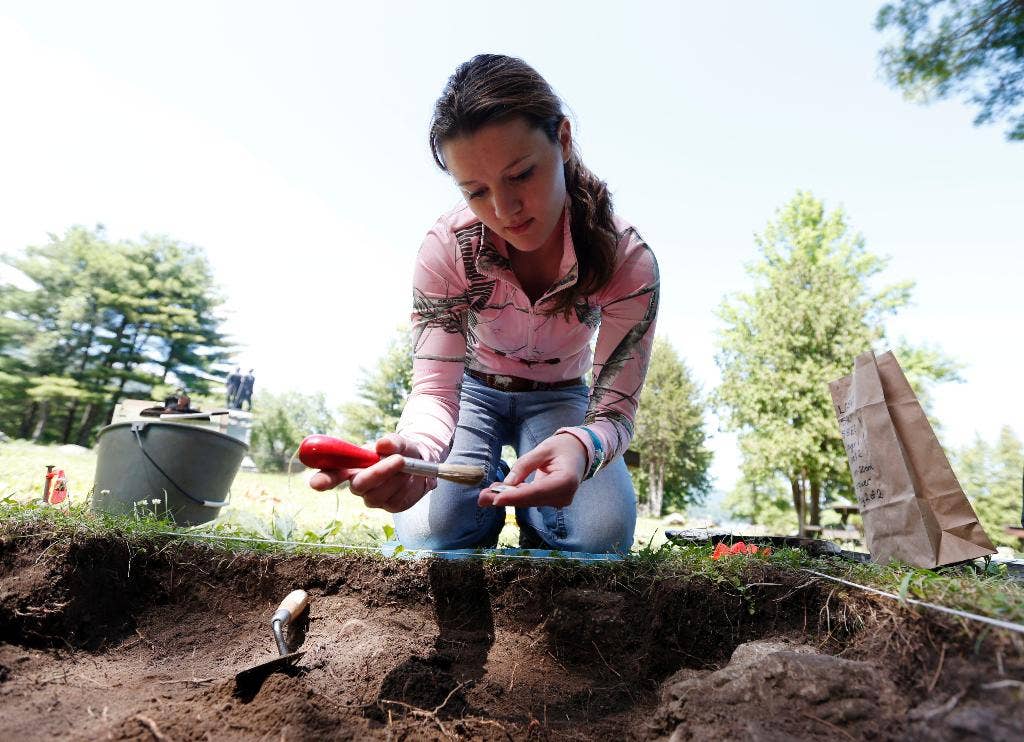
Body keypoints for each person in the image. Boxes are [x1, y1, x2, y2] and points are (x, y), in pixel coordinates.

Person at [309, 54, 659, 554]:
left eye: (520, 175)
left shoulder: (628, 260)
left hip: (563, 397)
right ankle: (482, 474)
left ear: (562, 140)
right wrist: (420, 452)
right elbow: (434, 388)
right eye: (475, 191)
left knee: (600, 534)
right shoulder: (446, 248)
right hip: (473, 394)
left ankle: (535, 511)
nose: (504, 210)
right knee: (430, 531)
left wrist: (582, 447)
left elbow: (615, 409)